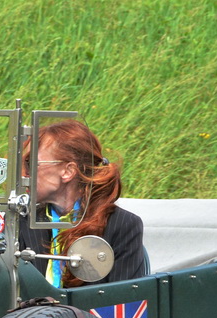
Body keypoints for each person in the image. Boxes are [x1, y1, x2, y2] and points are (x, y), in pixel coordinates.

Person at [21, 119, 147, 286]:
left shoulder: (121, 225)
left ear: (68, 171)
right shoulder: (23, 222)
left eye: (30, 164)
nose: (23, 174)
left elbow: (126, 303)